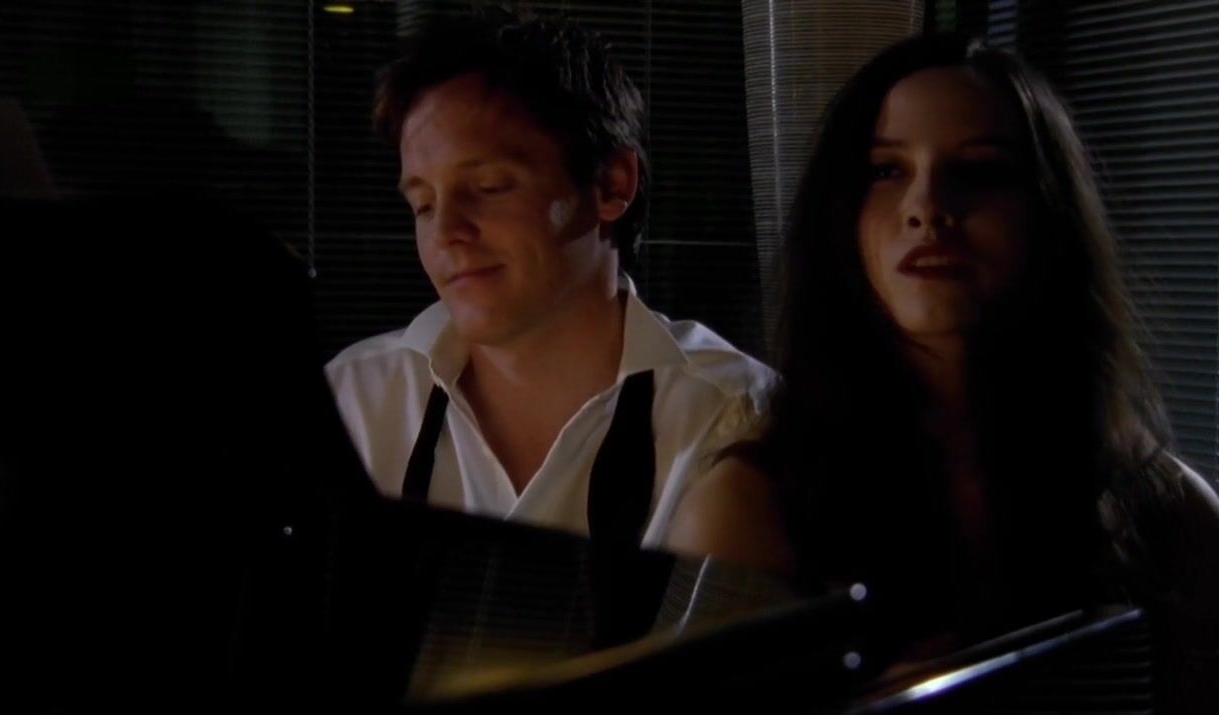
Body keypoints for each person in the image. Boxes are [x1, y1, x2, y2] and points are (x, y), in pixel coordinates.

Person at [666, 33, 1219, 706]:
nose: (927, 207)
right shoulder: (748, 509)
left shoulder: (1166, 510)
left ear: (1049, 213)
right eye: (886, 170)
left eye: (979, 170)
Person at [327, 9, 774, 550]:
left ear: (612, 184)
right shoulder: (351, 404)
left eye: (489, 187)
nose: (445, 233)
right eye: (423, 205)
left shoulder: (733, 420)